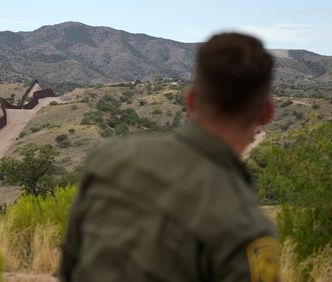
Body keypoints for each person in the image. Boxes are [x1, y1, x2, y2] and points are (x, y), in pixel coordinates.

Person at [60, 33, 280, 282]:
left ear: (191, 99)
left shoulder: (109, 157)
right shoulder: (247, 228)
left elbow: (70, 264)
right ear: (266, 112)